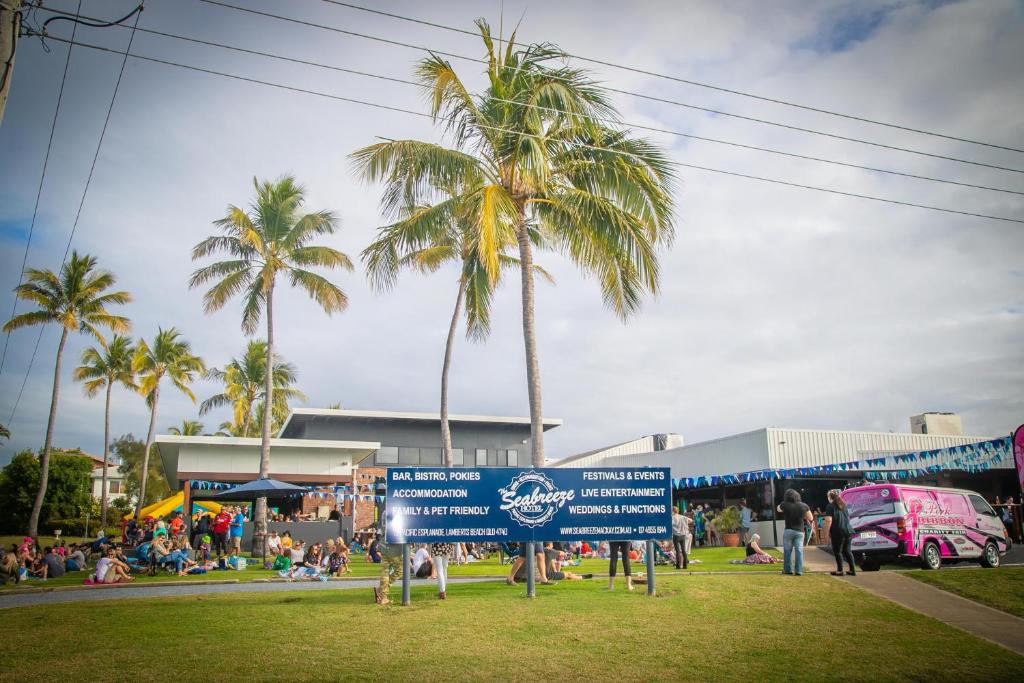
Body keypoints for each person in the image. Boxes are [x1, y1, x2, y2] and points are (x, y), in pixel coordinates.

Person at [777, 489, 813, 576]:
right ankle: (799, 571)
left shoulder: (784, 504)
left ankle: (788, 570)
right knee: (799, 551)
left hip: (788, 530)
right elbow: (811, 518)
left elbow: (778, 509)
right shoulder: (804, 505)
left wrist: (782, 504)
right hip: (800, 532)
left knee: (787, 551)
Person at [824, 489, 856, 576]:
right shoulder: (844, 505)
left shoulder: (830, 506)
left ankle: (840, 570)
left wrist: (826, 534)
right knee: (848, 551)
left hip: (838, 531)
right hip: (848, 530)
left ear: (830, 497)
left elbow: (828, 520)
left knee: (838, 551)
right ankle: (852, 570)